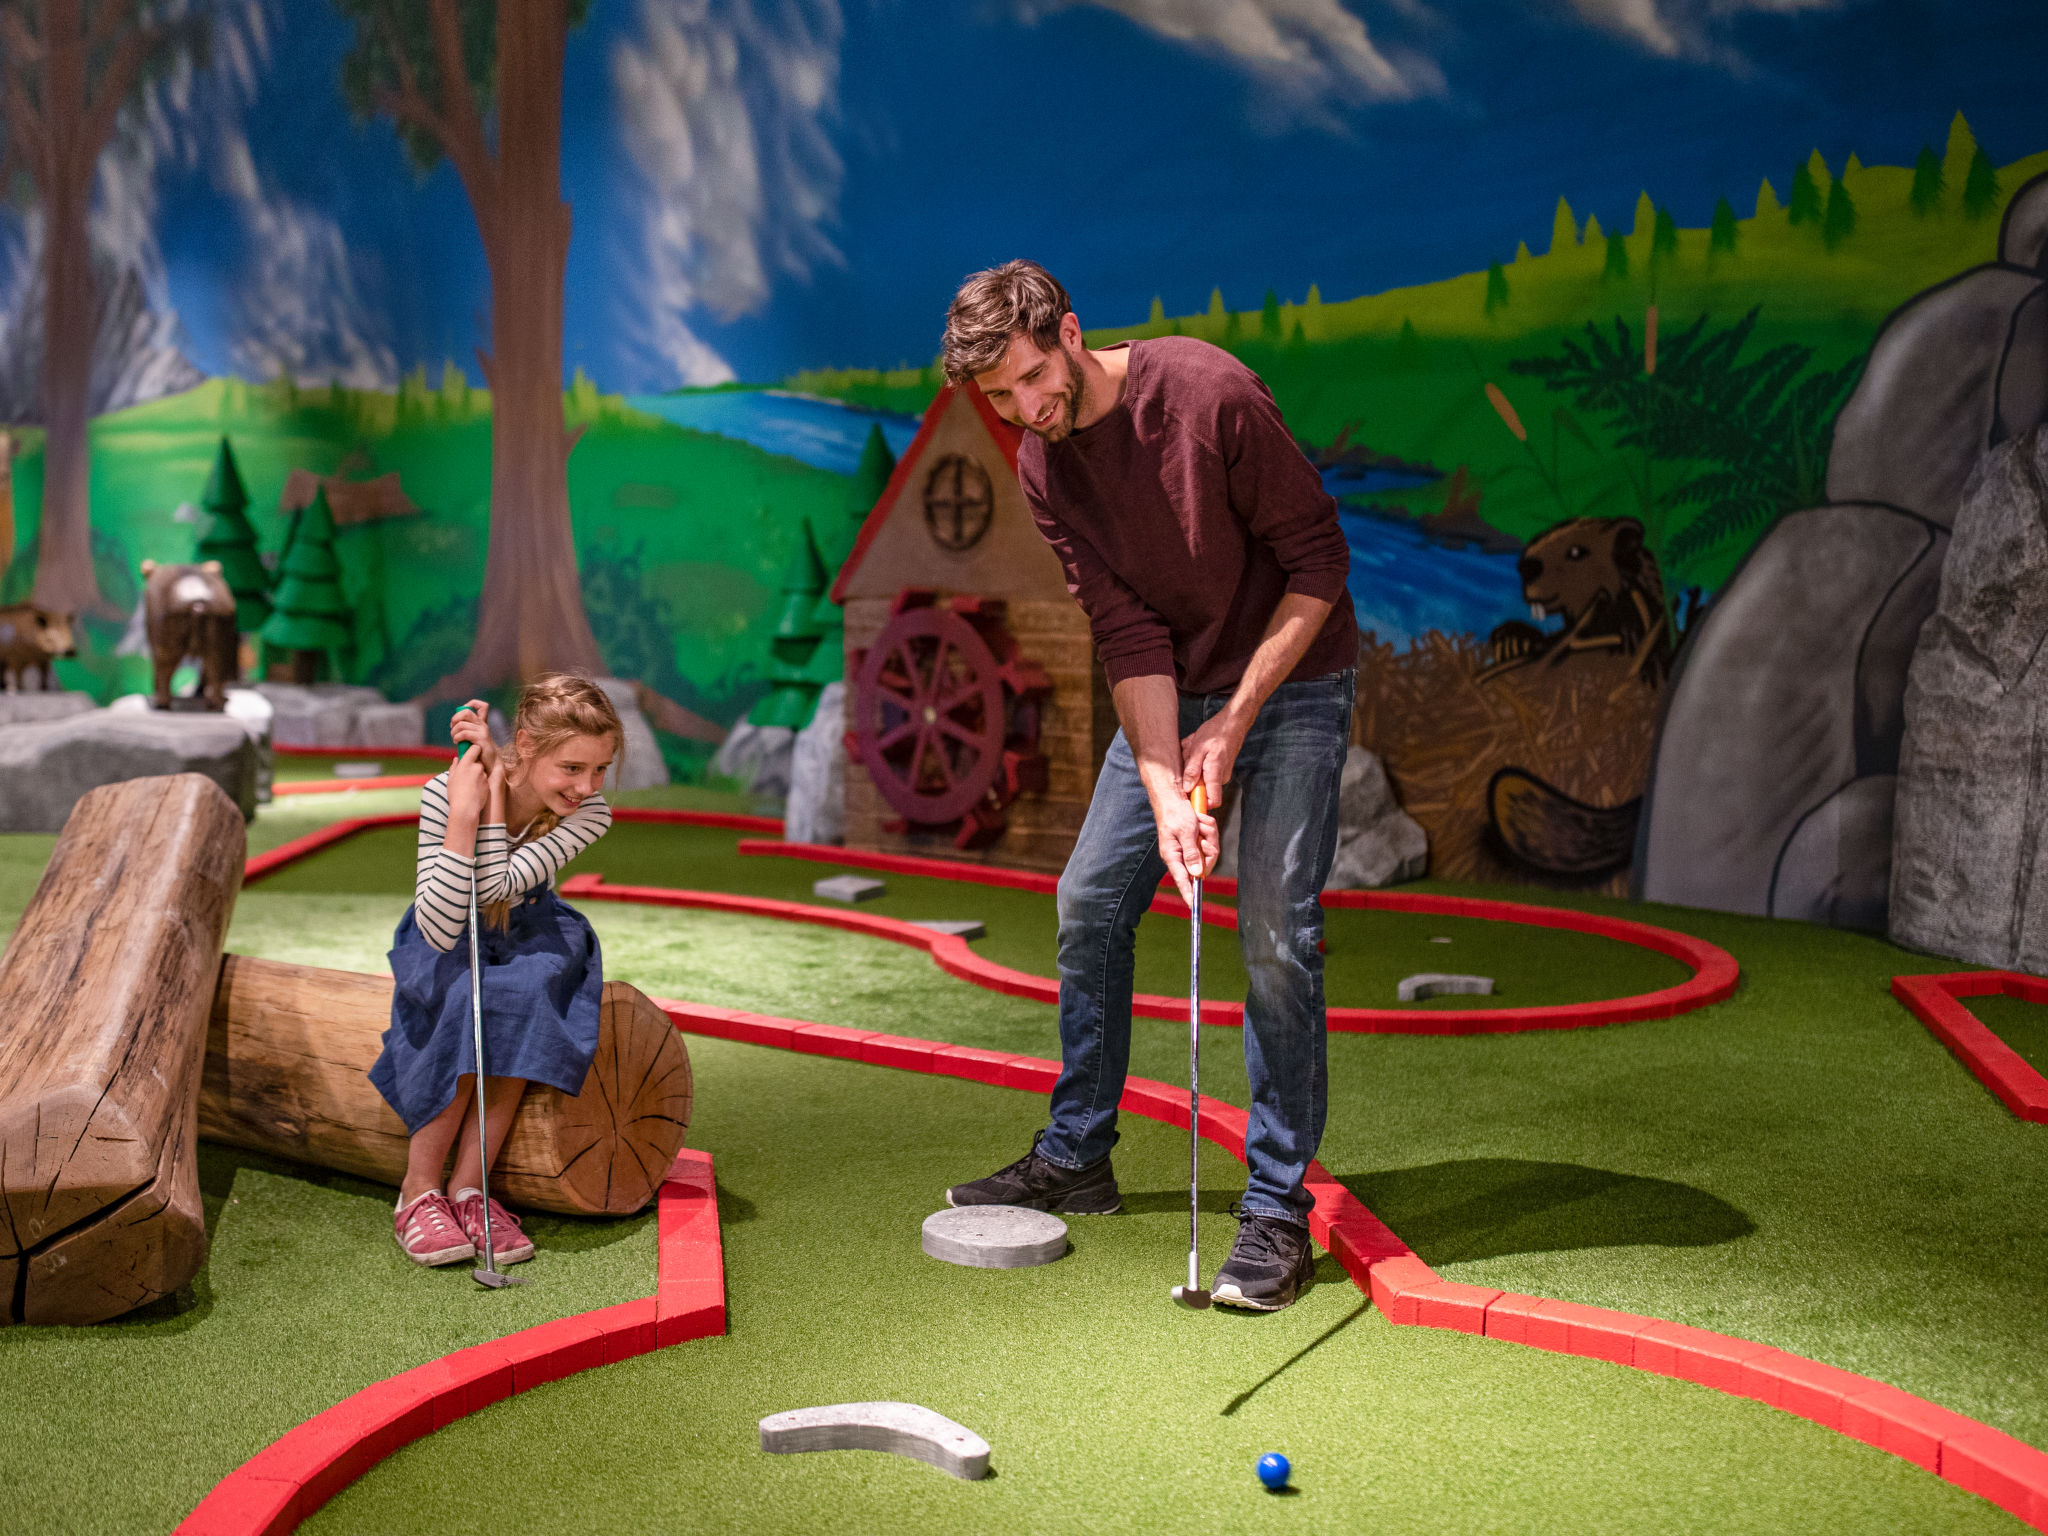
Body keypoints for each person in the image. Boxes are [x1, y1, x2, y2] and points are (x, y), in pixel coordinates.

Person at [940, 261, 1358, 1312]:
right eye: (1001, 398)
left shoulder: (1207, 395)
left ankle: (1273, 1210)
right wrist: (1170, 788)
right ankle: (1078, 1152)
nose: (1030, 409)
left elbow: (1319, 562)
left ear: (1071, 332)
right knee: (1088, 899)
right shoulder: (1044, 468)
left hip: (1293, 676)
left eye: (1037, 377)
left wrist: (1236, 719)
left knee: (1271, 932)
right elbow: (1127, 635)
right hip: (1174, 689)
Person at [373, 673, 622, 1269]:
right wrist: (465, 807)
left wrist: (490, 804)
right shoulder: (445, 791)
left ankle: (471, 1188)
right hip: (452, 927)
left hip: (531, 926)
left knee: (525, 994)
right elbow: (440, 928)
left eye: (600, 769)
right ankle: (418, 1190)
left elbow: (497, 887)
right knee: (464, 998)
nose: (587, 787)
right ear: (528, 745)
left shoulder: (590, 816)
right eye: (572, 767)